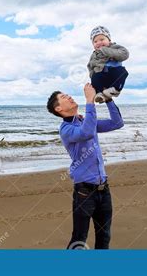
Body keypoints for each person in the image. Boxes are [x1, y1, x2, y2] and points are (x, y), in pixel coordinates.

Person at [46, 83, 124, 249]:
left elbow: (117, 123)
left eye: (67, 94)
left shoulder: (84, 120)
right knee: (79, 238)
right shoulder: (66, 129)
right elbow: (87, 132)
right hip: (84, 192)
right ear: (59, 109)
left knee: (104, 236)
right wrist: (90, 100)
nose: (69, 96)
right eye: (63, 97)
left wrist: (108, 99)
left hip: (104, 189)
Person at [87, 25, 130, 103]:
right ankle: (99, 94)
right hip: (101, 74)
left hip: (114, 74)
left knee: (124, 72)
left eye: (102, 39)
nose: (99, 43)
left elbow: (125, 54)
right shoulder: (94, 54)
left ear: (109, 40)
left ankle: (115, 90)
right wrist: (92, 74)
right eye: (95, 41)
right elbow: (90, 66)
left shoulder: (115, 47)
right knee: (95, 76)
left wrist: (106, 50)